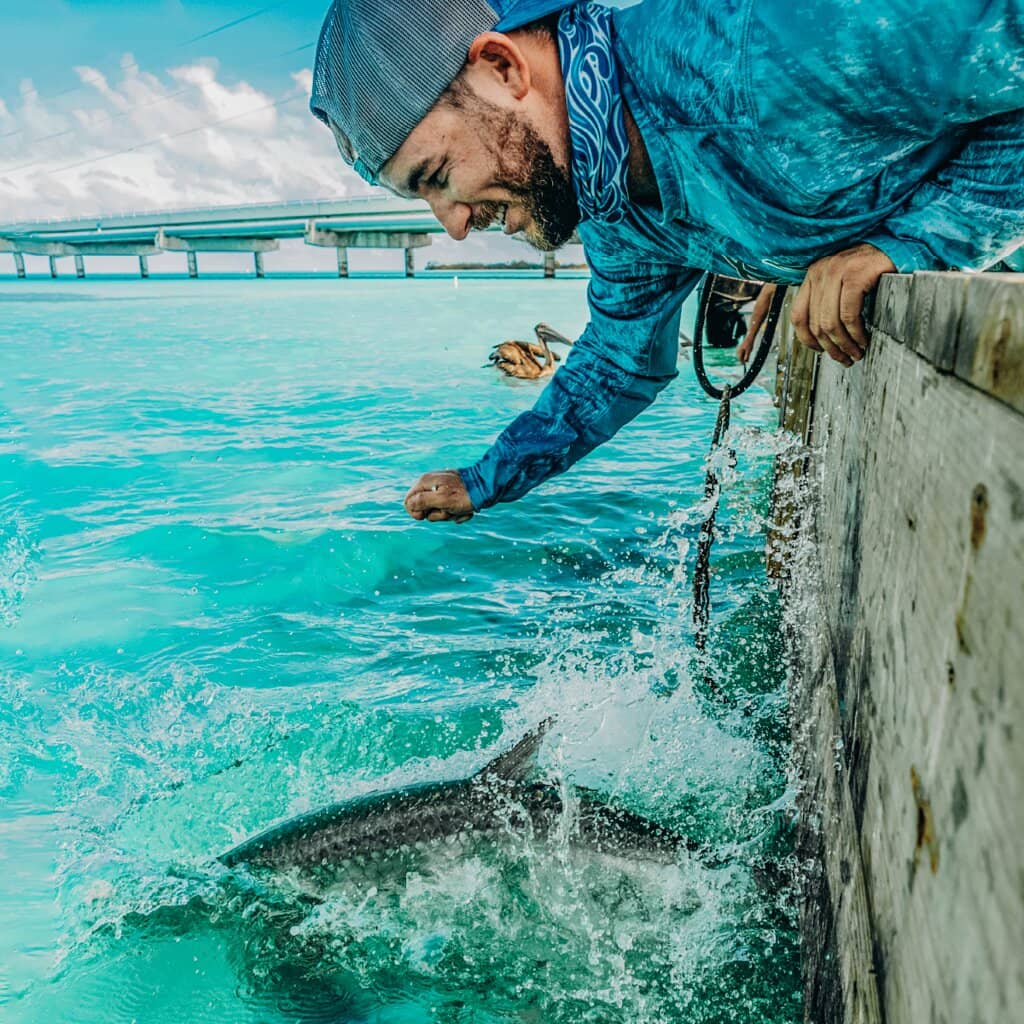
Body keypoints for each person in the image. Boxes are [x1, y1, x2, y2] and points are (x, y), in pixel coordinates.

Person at [309, 0, 1024, 524]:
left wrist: (912, 246)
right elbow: (618, 364)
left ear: (502, 66)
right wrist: (487, 479)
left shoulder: (768, 38)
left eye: (436, 176)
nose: (456, 227)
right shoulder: (618, 211)